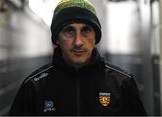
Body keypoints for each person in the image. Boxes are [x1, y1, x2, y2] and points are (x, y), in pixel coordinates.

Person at [9, 0, 147, 116]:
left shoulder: (122, 83)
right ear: (57, 38)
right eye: (69, 30)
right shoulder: (34, 87)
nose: (78, 42)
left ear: (96, 37)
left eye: (86, 30)